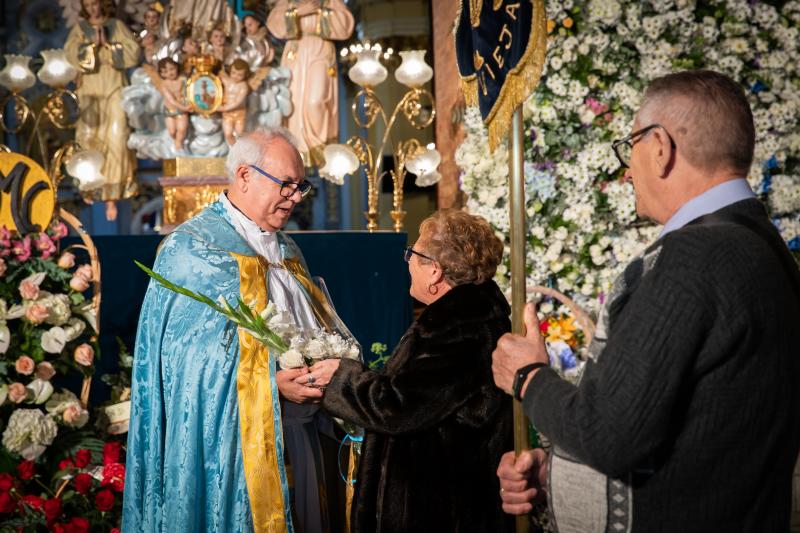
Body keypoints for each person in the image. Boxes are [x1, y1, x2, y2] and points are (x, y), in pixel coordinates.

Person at [492, 70, 800, 532]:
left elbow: (608, 436)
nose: (626, 168)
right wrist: (554, 473)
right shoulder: (761, 244)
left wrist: (529, 378)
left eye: (629, 145)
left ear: (660, 146)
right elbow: (688, 433)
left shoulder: (694, 257)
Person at [123, 128, 351, 532]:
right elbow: (181, 364)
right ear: (245, 175)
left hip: (304, 431)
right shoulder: (191, 249)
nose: (296, 197)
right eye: (287, 184)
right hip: (232, 448)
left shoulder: (287, 249)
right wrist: (269, 381)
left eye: (301, 186)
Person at [309, 209, 514, 532]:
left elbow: (399, 406)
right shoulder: (470, 317)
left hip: (439, 510)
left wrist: (341, 377)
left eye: (412, 254)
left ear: (435, 271)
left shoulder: (460, 327)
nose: (406, 262)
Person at [64, 0, 139, 221]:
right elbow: (70, 54)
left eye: (95, 3)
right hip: (90, 90)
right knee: (90, 137)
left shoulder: (116, 25)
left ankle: (113, 195)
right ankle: (90, 186)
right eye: (88, 4)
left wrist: (109, 46)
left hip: (114, 86)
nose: (92, 8)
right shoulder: (80, 29)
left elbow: (133, 52)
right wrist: (90, 48)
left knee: (117, 136)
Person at [267, 0, 354, 166]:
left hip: (320, 50)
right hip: (296, 51)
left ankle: (319, 147)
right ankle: (296, 148)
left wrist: (321, 12)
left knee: (316, 100)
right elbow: (274, 23)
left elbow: (345, 25)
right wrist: (297, 12)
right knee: (294, 100)